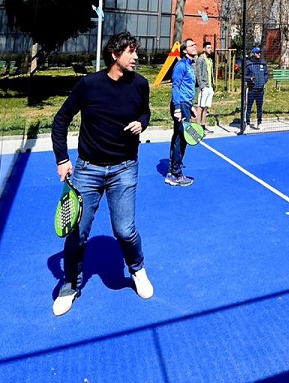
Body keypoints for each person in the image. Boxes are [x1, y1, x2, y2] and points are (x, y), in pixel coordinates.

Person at [51, 31, 154, 316]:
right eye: (131, 52)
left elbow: (145, 112)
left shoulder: (141, 84)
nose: (136, 57)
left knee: (124, 230)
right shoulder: (89, 85)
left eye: (136, 51)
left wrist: (141, 123)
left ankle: (137, 269)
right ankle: (71, 284)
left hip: (124, 168)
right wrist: (62, 159)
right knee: (77, 232)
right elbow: (60, 120)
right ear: (115, 55)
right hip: (87, 170)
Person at [167, 37, 197, 187]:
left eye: (195, 45)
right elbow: (175, 87)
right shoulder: (181, 65)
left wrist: (191, 106)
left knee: (180, 137)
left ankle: (173, 169)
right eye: (192, 45)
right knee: (181, 138)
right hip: (180, 106)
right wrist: (178, 108)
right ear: (185, 50)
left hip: (186, 104)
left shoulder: (190, 65)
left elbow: (187, 88)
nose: (195, 47)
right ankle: (176, 174)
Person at [244, 46, 269, 129]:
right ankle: (247, 123)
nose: (259, 54)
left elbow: (266, 74)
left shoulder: (263, 63)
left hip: (260, 89)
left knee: (259, 107)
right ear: (254, 54)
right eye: (257, 53)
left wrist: (263, 81)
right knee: (249, 107)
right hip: (251, 89)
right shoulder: (248, 63)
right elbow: (244, 76)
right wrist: (250, 79)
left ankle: (259, 122)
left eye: (260, 53)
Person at [193, 41, 215, 129]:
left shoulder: (210, 60)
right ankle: (197, 126)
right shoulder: (201, 59)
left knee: (206, 107)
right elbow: (198, 73)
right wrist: (201, 86)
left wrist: (212, 85)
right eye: (208, 48)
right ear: (204, 49)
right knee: (201, 106)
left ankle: (203, 125)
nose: (210, 49)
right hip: (204, 86)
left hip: (209, 85)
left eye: (210, 48)